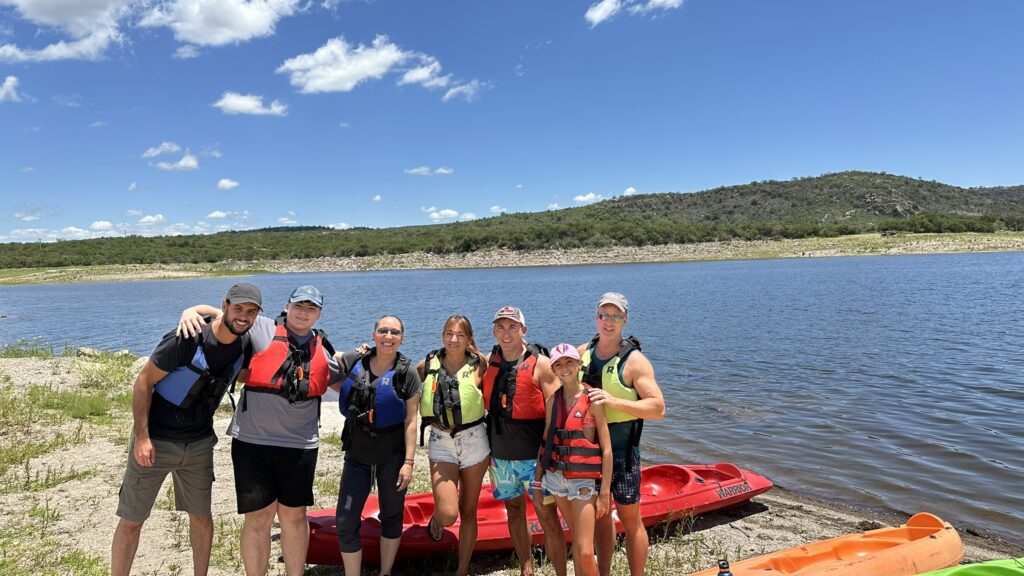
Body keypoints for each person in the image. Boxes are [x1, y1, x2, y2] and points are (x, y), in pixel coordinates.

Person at [178, 285, 343, 576]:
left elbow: (346, 385)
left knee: (294, 518)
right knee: (258, 519)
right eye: (299, 306)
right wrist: (190, 311)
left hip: (300, 446)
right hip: (253, 443)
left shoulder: (323, 350)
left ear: (319, 314)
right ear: (287, 306)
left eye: (311, 308)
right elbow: (221, 316)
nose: (304, 313)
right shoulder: (262, 328)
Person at [111, 283, 262, 576]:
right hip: (157, 440)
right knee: (132, 519)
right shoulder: (187, 338)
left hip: (199, 443)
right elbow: (143, 382)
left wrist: (193, 307)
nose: (244, 316)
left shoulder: (245, 341)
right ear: (227, 304)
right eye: (239, 308)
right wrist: (142, 437)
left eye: (251, 311)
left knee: (202, 518)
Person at [578, 292, 665, 576]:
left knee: (631, 520)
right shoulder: (582, 354)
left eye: (616, 316)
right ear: (596, 317)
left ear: (625, 320)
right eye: (604, 315)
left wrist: (614, 402)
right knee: (601, 520)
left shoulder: (635, 361)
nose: (609, 322)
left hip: (623, 457)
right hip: (590, 457)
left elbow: (657, 408)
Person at [335, 315, 423, 576]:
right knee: (345, 520)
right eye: (383, 331)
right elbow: (326, 358)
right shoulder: (355, 361)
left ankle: (385, 573)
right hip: (357, 454)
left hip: (392, 455)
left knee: (392, 515)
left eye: (394, 332)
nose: (388, 336)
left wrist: (408, 462)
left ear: (402, 338)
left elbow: (410, 421)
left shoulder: (406, 372)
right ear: (373, 335)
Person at [482, 306, 567, 576]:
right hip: (501, 458)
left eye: (512, 327)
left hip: (535, 459)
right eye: (501, 327)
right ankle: (526, 568)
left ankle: (561, 572)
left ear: (523, 330)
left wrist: (548, 457)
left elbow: (556, 416)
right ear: (494, 331)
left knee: (547, 517)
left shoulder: (541, 364)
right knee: (514, 511)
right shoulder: (488, 361)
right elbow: (450, 361)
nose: (506, 333)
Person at [416, 314, 490, 576]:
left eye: (460, 334)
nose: (454, 339)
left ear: (469, 339)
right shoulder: (427, 365)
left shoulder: (481, 364)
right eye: (449, 333)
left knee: (468, 510)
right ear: (442, 336)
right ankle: (437, 522)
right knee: (449, 512)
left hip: (475, 441)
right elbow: (402, 378)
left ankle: (461, 569)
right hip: (441, 441)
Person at [534, 343, 612, 576]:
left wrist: (605, 493)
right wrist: (538, 484)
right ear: (554, 369)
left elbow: (606, 450)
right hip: (556, 480)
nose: (565, 368)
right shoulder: (552, 401)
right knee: (577, 545)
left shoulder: (592, 400)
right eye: (558, 364)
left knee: (585, 551)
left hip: (584, 484)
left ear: (579, 364)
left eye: (569, 362)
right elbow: (546, 444)